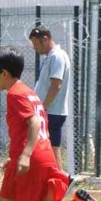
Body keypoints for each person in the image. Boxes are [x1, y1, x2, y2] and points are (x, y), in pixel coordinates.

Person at [0, 48, 101, 201]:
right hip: (45, 156)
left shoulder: (15, 94)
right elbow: (32, 126)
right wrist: (17, 154)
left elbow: (34, 123)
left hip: (32, 157)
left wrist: (24, 155)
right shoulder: (30, 93)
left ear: (4, 73)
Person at [30, 26, 71, 167]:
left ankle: (61, 182)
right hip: (48, 111)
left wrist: (43, 108)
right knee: (47, 149)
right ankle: (53, 182)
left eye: (36, 44)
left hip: (52, 112)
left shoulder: (57, 56)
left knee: (53, 150)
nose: (34, 48)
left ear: (45, 39)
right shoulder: (51, 57)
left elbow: (56, 85)